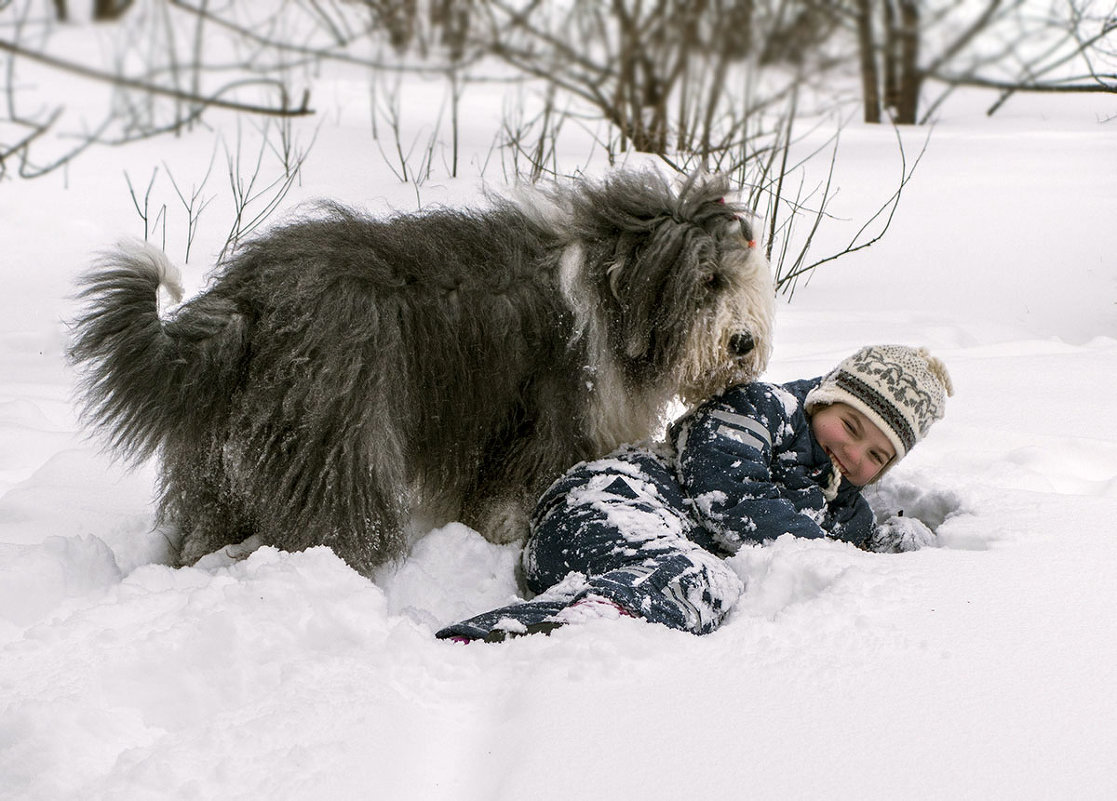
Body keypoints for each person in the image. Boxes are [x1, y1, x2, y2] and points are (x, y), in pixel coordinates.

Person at [436, 344, 953, 642]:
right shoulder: (758, 409)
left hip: (649, 555)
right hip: (609, 505)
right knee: (703, 577)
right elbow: (727, 493)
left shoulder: (842, 509)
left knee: (704, 586)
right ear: (824, 398)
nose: (855, 454)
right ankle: (512, 634)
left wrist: (898, 540)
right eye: (851, 426)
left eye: (877, 456)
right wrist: (820, 546)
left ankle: (600, 616)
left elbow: (857, 561)